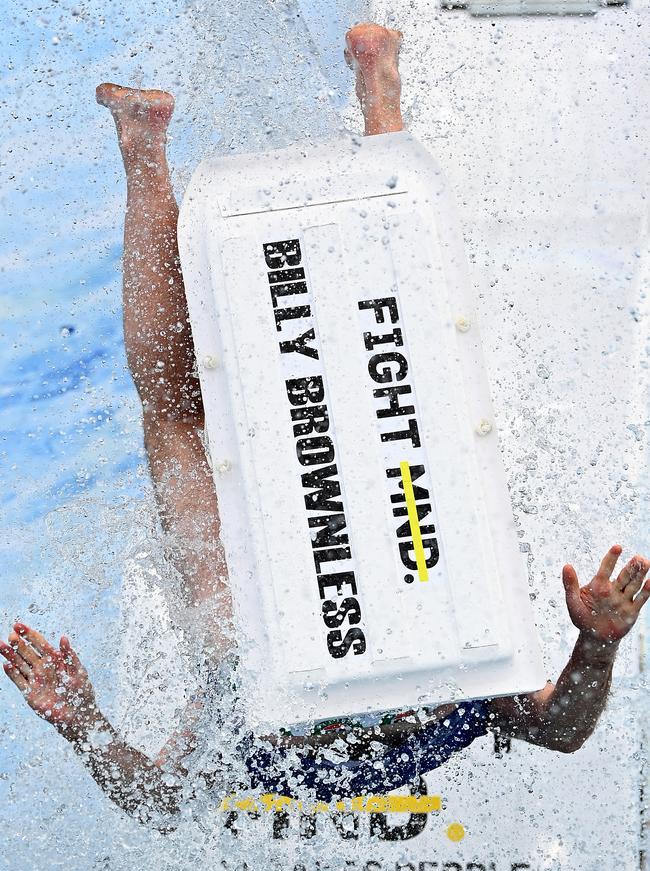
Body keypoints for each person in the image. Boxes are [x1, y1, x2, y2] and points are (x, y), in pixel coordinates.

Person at [2, 24, 649, 829]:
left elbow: (163, 803)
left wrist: (81, 721)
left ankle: (298, 114)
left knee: (352, 378)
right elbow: (558, 728)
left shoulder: (282, 722)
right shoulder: (456, 684)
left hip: (251, 644)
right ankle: (183, 137)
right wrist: (597, 644)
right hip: (270, 641)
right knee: (383, 374)